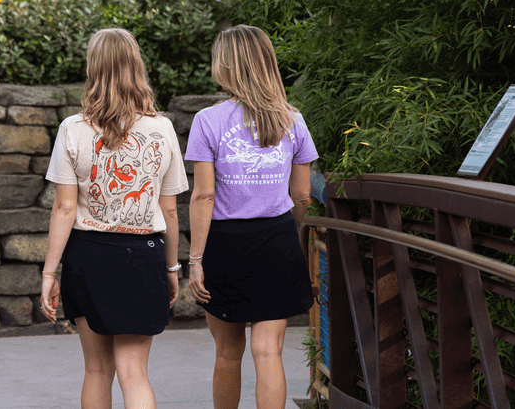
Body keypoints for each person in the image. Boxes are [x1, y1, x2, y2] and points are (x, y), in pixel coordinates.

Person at [40, 28, 188, 409]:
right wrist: (172, 267)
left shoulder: (73, 129)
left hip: (89, 256)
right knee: (134, 372)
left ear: (93, 68)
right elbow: (169, 209)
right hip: (144, 253)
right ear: (136, 68)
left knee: (97, 370)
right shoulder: (162, 129)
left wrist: (48, 273)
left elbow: (64, 208)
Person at [184, 24, 317, 409]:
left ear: (227, 64)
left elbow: (204, 194)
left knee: (228, 352)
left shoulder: (208, 121)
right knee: (267, 352)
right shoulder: (293, 119)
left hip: (225, 246)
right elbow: (303, 195)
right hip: (276, 239)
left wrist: (196, 260)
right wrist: (291, 233)